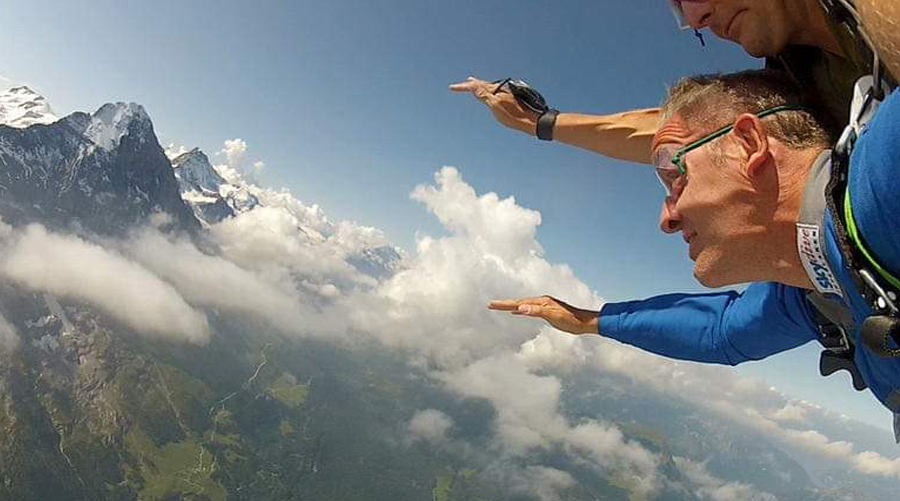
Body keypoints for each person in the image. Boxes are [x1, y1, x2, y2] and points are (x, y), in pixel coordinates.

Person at [488, 68, 900, 437]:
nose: (665, 219)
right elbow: (718, 332)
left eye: (674, 174)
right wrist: (589, 321)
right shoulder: (815, 293)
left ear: (748, 143)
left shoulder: (881, 179)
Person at [450, 0, 888, 164]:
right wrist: (538, 122)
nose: (696, 17)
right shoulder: (793, 77)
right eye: (679, 8)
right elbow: (687, 133)